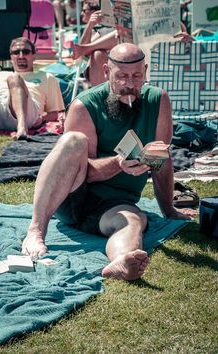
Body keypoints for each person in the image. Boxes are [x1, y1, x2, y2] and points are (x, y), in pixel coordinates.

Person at [22, 43, 193, 281]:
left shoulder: (158, 100)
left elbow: (161, 159)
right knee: (73, 141)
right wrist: (118, 164)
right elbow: (82, 172)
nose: (130, 85)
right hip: (73, 196)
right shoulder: (85, 105)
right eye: (121, 76)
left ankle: (121, 262)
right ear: (106, 71)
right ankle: (36, 230)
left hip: (115, 205)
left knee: (134, 220)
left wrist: (169, 210)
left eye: (136, 76)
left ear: (145, 71)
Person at [0, 37, 65, 140]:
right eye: (16, 52)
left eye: (26, 52)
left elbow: (54, 113)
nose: (21, 56)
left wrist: (42, 118)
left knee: (15, 78)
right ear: (11, 58)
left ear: (34, 56)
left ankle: (22, 128)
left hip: (26, 115)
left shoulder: (47, 78)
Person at [71, 1, 118, 86]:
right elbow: (83, 54)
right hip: (97, 67)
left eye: (85, 10)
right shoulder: (95, 30)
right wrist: (90, 24)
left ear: (95, 11)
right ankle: (100, 95)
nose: (82, 13)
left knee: (118, 33)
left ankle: (88, 48)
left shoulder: (104, 29)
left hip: (116, 63)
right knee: (97, 53)